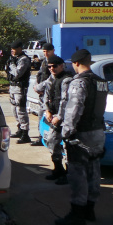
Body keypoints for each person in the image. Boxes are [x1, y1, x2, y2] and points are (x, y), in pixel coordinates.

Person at [55, 49, 108, 225]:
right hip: (98, 132)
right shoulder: (101, 82)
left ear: (76, 63)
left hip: (82, 134)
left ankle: (77, 213)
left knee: (78, 173)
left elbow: (74, 108)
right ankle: (89, 210)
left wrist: (67, 131)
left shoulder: (79, 83)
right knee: (94, 170)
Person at [40, 54, 72, 185]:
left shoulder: (67, 80)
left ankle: (69, 174)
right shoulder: (51, 79)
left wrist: (59, 116)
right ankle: (58, 170)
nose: (52, 69)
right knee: (52, 142)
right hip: (53, 117)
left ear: (62, 66)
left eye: (54, 66)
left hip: (65, 119)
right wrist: (47, 110)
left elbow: (65, 101)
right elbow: (45, 96)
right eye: (49, 67)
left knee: (67, 147)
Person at [6, 40, 32, 144]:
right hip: (12, 87)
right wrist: (10, 65)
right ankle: (20, 129)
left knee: (21, 111)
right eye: (11, 49)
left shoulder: (24, 59)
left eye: (14, 48)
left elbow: (17, 73)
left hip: (20, 88)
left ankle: (25, 134)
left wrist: (11, 65)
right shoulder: (14, 59)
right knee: (14, 110)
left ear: (20, 48)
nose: (12, 50)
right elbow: (6, 69)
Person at [30, 42, 56, 146]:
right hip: (42, 93)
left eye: (48, 51)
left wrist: (40, 87)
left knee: (50, 116)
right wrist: (36, 86)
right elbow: (39, 74)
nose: (45, 53)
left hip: (49, 93)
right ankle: (41, 137)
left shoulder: (55, 62)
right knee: (41, 115)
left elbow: (52, 78)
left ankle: (50, 137)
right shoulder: (44, 61)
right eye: (44, 51)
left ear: (53, 51)